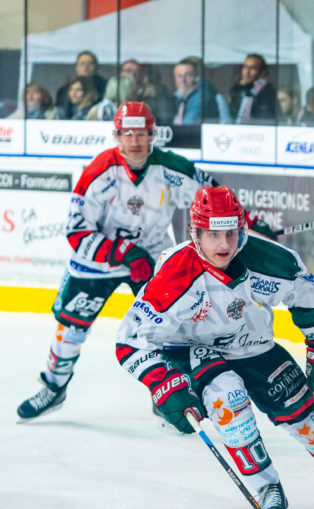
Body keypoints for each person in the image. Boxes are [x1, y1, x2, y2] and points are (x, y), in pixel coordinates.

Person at [114, 185, 314, 509]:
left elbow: (309, 299)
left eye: (231, 232)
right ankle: (266, 488)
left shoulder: (271, 260)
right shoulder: (174, 275)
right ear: (194, 232)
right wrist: (163, 384)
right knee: (230, 403)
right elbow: (129, 341)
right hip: (193, 351)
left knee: (307, 417)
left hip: (255, 348)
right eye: (212, 234)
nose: (224, 245)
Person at [17, 102, 216, 420]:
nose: (135, 141)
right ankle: (54, 388)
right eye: (127, 134)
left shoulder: (172, 168)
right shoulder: (97, 172)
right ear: (116, 135)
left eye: (141, 134)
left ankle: (171, 394)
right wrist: (122, 252)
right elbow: (77, 232)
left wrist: (249, 220)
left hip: (152, 254)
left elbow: (214, 197)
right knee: (70, 329)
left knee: (169, 327)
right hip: (98, 261)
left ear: (153, 134)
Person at [173, 57, 230, 125]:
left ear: (197, 78)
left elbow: (187, 125)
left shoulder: (202, 98)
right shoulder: (179, 98)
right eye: (179, 76)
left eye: (188, 75)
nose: (183, 80)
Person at [229, 54, 277, 125]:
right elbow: (232, 113)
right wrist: (238, 88)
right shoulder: (238, 89)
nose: (247, 72)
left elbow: (264, 116)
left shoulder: (267, 91)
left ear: (262, 72)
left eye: (253, 68)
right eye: (245, 67)